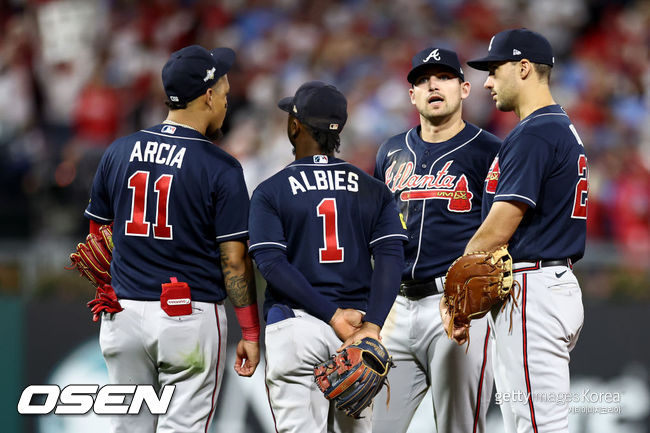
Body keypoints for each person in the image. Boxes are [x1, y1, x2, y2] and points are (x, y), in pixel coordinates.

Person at [82, 45, 260, 433]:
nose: (227, 104)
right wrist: (249, 329)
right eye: (225, 95)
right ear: (208, 95)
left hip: (122, 316)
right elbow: (233, 260)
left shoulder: (118, 151)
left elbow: (97, 237)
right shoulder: (221, 166)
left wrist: (107, 287)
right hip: (187, 318)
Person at [247, 81, 407, 433]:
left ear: (295, 126)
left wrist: (331, 315)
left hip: (297, 323)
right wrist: (373, 326)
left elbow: (271, 264)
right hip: (357, 331)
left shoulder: (270, 190)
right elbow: (392, 259)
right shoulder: (373, 189)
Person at [451, 28, 587, 433]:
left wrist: (454, 292)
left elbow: (500, 226)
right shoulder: (554, 127)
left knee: (537, 427)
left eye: (495, 69)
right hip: (544, 283)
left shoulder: (536, 133)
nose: (488, 82)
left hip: (532, 290)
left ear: (524, 68)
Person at [372, 47, 501, 433]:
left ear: (464, 89)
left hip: (460, 302)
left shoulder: (489, 151)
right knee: (371, 424)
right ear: (411, 94)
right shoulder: (390, 151)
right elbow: (377, 233)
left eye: (443, 77)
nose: (433, 85)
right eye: (423, 79)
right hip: (395, 307)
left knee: (458, 427)